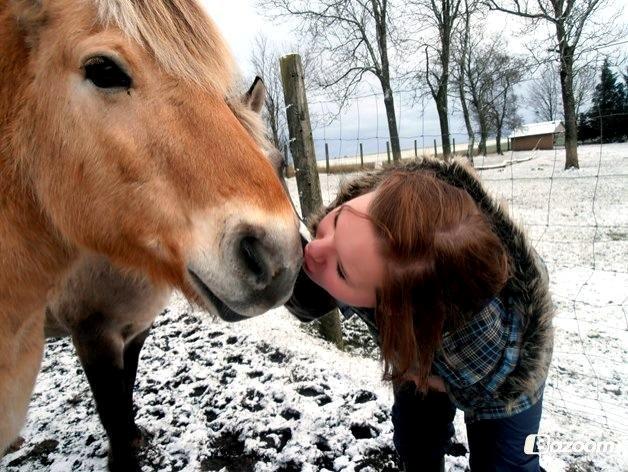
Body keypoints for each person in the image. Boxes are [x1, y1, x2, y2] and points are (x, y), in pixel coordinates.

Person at [285, 158, 554, 472]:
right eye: (335, 222)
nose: (315, 249)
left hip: (497, 377)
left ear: (395, 308)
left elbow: (481, 386)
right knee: (416, 439)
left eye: (342, 271)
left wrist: (431, 377)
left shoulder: (491, 350)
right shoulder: (370, 215)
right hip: (415, 335)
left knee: (506, 464)